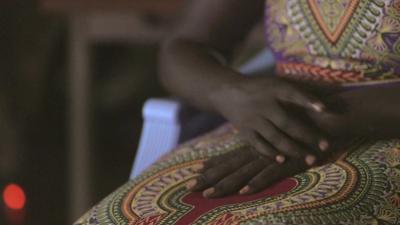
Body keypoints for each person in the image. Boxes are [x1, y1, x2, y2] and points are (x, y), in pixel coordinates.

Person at [75, 0, 400, 224]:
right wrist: (234, 93)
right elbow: (183, 47)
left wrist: (316, 121)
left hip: (382, 131)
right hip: (264, 124)